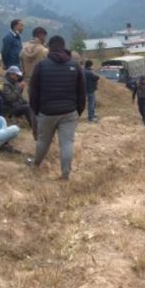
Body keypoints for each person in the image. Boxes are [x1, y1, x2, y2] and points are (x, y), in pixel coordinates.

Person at [29, 36, 86, 180]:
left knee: (43, 141)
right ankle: (65, 175)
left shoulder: (41, 66)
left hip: (46, 112)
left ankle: (36, 164)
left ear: (49, 47)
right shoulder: (75, 66)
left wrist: (36, 111)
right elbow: (81, 92)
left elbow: (33, 92)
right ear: (63, 46)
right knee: (67, 143)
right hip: (69, 112)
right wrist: (78, 110)